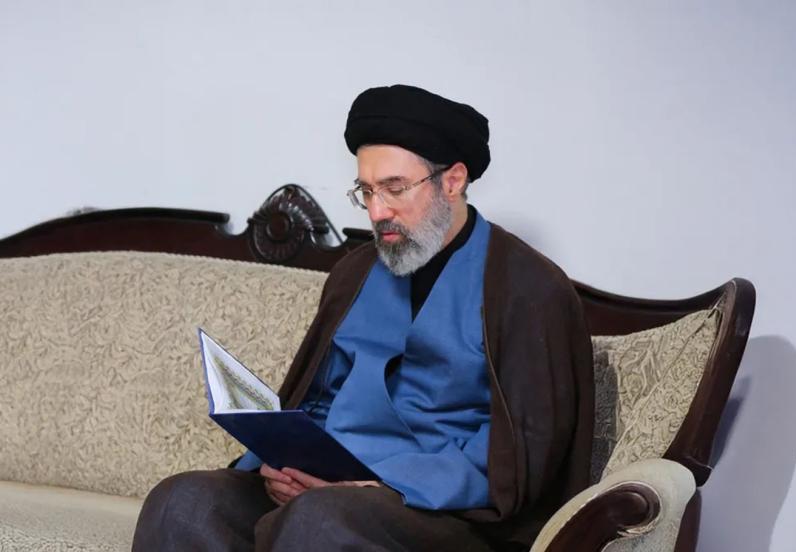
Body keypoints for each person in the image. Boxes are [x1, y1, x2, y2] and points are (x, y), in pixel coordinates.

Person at [132, 84, 594, 551]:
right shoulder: (354, 273)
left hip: (442, 511)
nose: (377, 211)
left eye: (395, 189)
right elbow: (316, 400)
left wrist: (387, 484)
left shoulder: (528, 288)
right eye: (367, 191)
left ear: (453, 181)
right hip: (327, 491)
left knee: (319, 522)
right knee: (181, 503)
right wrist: (283, 463)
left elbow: (520, 454)